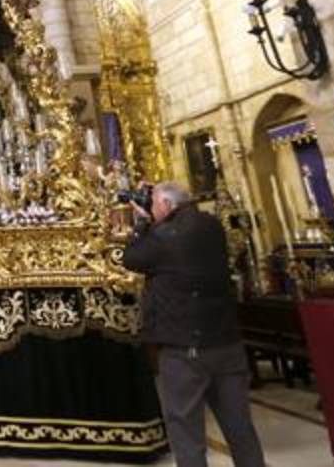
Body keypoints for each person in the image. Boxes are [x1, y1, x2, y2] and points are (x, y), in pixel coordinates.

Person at [123, 182, 265, 467]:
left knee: (186, 430)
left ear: (166, 205)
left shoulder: (164, 237)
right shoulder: (211, 225)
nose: (151, 210)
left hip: (185, 348)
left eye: (153, 206)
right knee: (239, 426)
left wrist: (140, 224)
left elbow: (131, 258)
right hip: (226, 341)